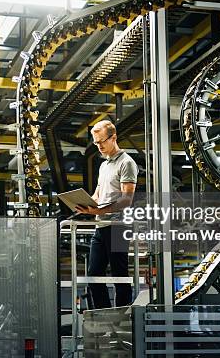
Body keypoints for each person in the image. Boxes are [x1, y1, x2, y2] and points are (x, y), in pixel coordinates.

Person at [75, 120, 138, 308]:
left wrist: (98, 210)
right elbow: (98, 194)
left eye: (102, 141)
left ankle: (122, 317)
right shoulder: (104, 166)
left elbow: (127, 200)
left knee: (119, 275)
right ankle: (103, 314)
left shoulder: (127, 163)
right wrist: (84, 204)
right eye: (96, 143)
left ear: (114, 137)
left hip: (119, 227)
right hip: (101, 226)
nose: (99, 146)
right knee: (94, 275)